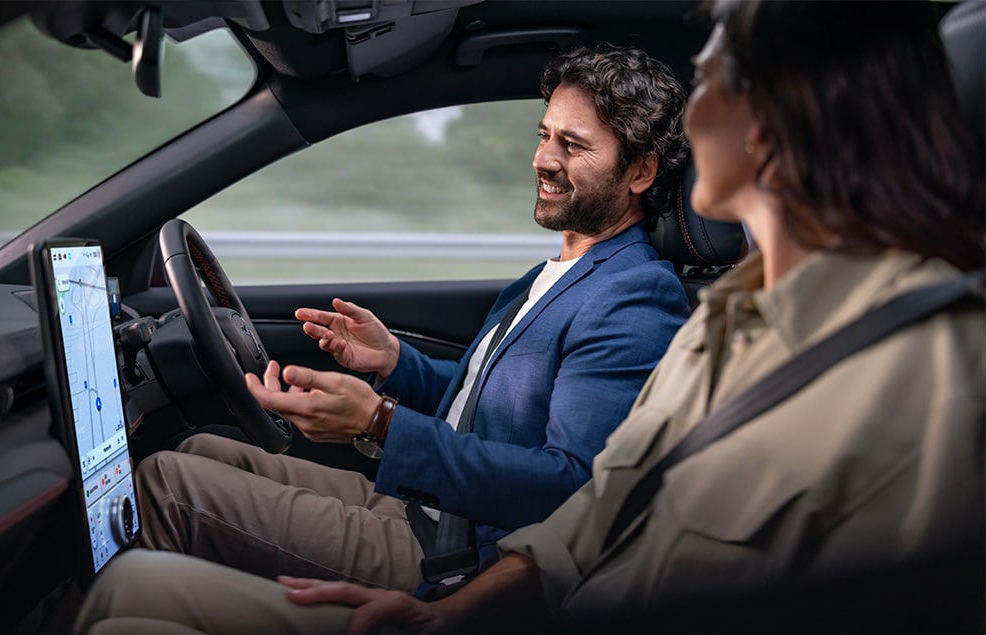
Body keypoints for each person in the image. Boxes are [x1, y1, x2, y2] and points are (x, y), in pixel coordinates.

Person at [67, 1, 984, 635]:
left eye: (715, 80)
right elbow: (594, 513)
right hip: (496, 597)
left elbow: (870, 618)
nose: (699, 104)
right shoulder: (732, 324)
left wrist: (383, 426)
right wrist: (455, 607)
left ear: (781, 122)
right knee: (124, 592)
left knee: (128, 609)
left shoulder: (924, 373)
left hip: (478, 561)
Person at [130, 44, 691, 597]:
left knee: (165, 487)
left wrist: (380, 422)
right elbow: (491, 407)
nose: (544, 159)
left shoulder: (635, 298)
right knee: (202, 450)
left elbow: (571, 490)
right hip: (430, 510)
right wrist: (396, 363)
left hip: (461, 554)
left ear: (640, 171)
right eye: (545, 135)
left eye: (573, 145)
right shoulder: (560, 272)